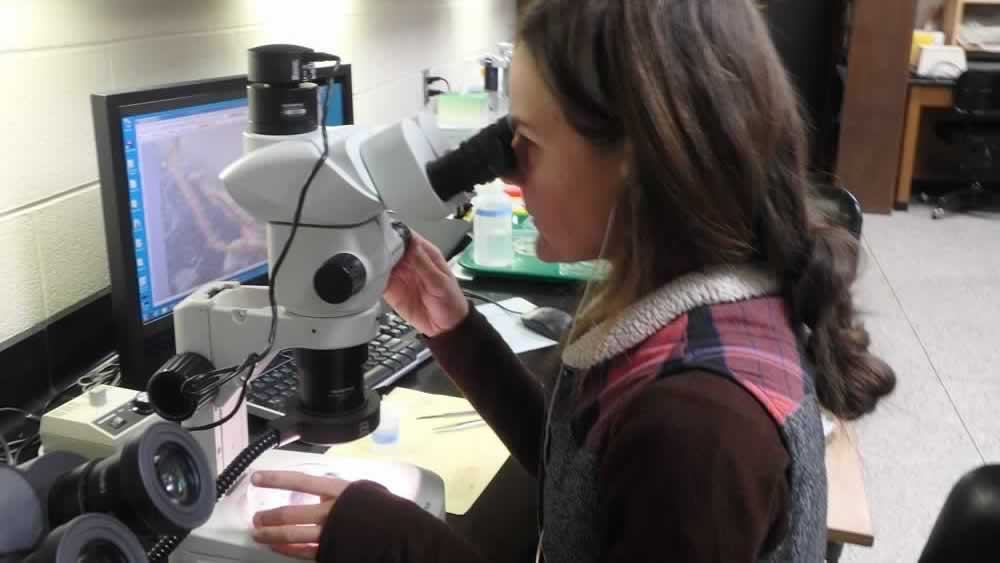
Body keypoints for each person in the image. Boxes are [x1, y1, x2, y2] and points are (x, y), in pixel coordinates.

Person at [247, 0, 897, 561]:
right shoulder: (681, 297)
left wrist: (388, 537)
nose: (508, 174)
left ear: (638, 159)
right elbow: (585, 474)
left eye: (525, 138)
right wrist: (455, 327)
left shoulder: (698, 425)